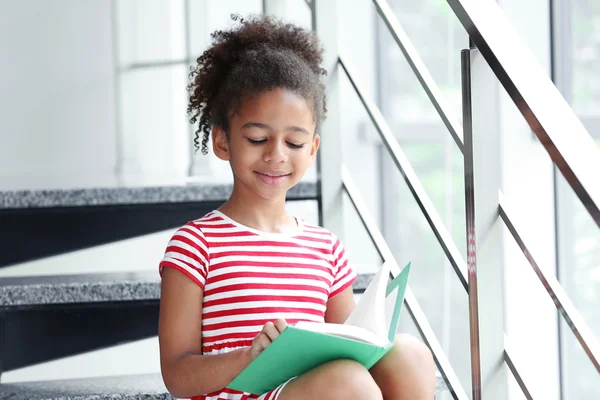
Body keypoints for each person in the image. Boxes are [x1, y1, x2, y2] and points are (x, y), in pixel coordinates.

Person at [158, 14, 436, 400]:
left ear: (312, 150)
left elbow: (351, 351)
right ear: (222, 142)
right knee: (349, 383)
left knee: (410, 354)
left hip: (315, 390)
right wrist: (249, 357)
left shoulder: (326, 249)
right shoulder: (196, 244)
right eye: (257, 138)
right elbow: (177, 374)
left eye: (293, 143)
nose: (275, 155)